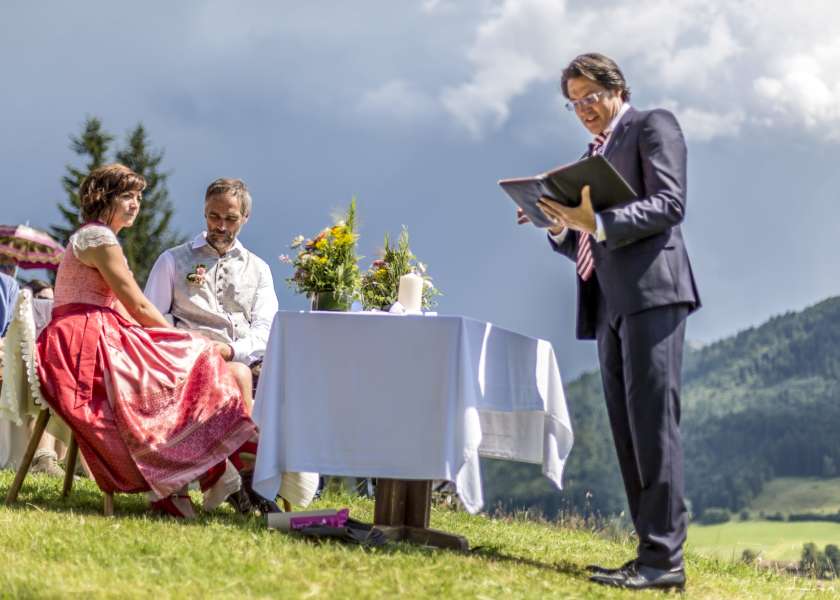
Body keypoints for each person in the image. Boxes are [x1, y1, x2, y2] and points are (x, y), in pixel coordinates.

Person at [520, 53, 700, 591]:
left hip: (653, 295)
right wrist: (558, 225)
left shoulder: (653, 126)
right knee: (627, 433)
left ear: (617, 89)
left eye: (590, 97)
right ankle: (649, 553)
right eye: (573, 103)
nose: (583, 109)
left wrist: (595, 220)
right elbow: (587, 240)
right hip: (607, 304)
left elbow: (669, 204)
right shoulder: (590, 157)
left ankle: (665, 561)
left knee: (653, 428)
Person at [36, 164, 262, 518]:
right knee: (191, 355)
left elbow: (123, 309)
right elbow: (138, 305)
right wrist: (178, 338)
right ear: (104, 198)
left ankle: (207, 468)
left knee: (176, 363)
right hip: (81, 340)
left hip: (95, 329)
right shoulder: (98, 240)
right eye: (127, 196)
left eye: (139, 197)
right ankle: (210, 465)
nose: (135, 204)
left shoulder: (100, 238)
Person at [144, 177, 279, 510]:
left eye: (230, 219)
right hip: (185, 359)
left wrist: (231, 350)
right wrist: (190, 345)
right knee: (237, 375)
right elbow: (153, 318)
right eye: (213, 216)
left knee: (240, 371)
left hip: (240, 357)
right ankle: (243, 471)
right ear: (204, 212)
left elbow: (265, 329)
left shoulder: (259, 269)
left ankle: (237, 477)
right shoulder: (172, 260)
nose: (220, 226)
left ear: (245, 217)